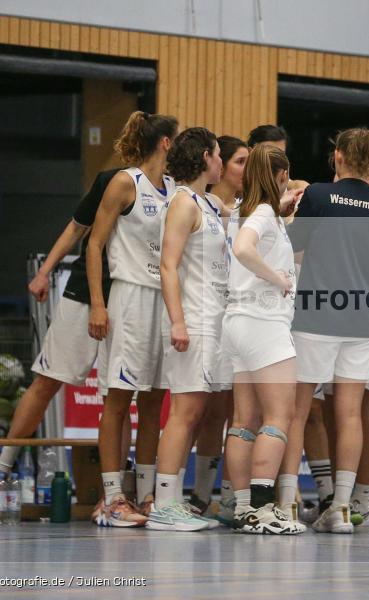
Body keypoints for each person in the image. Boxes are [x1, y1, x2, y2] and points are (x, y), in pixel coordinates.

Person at [0, 167, 135, 505]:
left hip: (130, 299)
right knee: (47, 381)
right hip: (84, 294)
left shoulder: (171, 191)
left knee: (118, 398)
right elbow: (78, 227)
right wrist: (45, 272)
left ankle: (117, 494)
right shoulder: (113, 180)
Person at [282, 128, 369, 534]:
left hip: (317, 316)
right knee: (350, 413)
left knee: (297, 412)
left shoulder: (317, 195)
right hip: (363, 319)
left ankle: (285, 505)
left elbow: (293, 248)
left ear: (339, 157)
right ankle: (344, 509)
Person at [87, 111, 178, 527]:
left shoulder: (175, 189)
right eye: (174, 140)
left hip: (165, 299)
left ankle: (145, 495)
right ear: (164, 142)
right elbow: (95, 244)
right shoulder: (126, 182)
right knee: (118, 398)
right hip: (127, 296)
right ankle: (111, 498)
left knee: (155, 400)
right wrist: (97, 302)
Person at [221, 143, 305, 534]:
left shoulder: (245, 210)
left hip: (237, 323)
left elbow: (251, 236)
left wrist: (282, 207)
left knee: (243, 421)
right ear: (282, 175)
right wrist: (279, 279)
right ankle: (262, 509)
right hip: (264, 323)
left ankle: (242, 508)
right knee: (278, 417)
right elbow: (244, 249)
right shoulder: (265, 213)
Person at [145, 127, 225, 532]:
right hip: (191, 319)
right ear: (203, 158)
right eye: (217, 154)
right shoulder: (182, 204)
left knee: (197, 413)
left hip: (213, 319)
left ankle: (174, 500)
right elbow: (168, 265)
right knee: (184, 411)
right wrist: (177, 320)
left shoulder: (206, 202)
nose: (222, 161)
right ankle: (163, 503)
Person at [187, 135, 249, 524]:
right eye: (240, 161)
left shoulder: (249, 208)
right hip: (206, 315)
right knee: (206, 412)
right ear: (220, 165)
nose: (244, 169)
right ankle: (198, 494)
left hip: (240, 318)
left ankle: (230, 499)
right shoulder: (202, 205)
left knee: (236, 412)